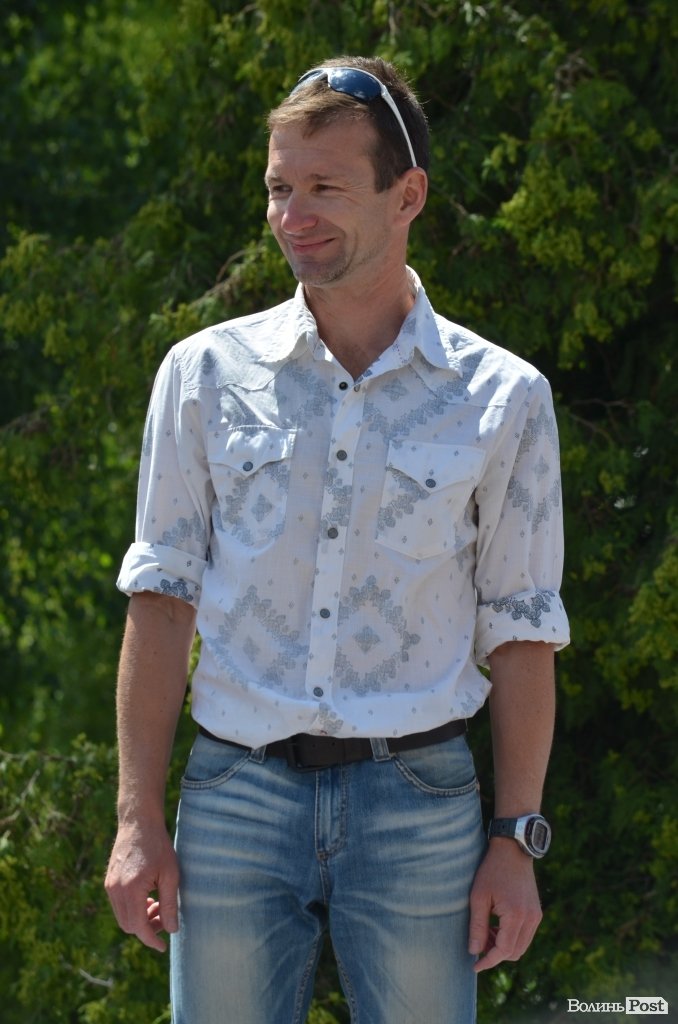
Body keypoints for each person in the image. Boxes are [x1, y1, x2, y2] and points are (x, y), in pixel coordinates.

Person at [105, 55, 570, 1024]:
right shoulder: (203, 374)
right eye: (280, 187)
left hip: (420, 802)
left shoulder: (504, 397)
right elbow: (162, 597)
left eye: (325, 187)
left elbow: (522, 628)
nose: (293, 214)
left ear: (408, 196)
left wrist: (515, 838)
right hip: (234, 793)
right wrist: (136, 820)